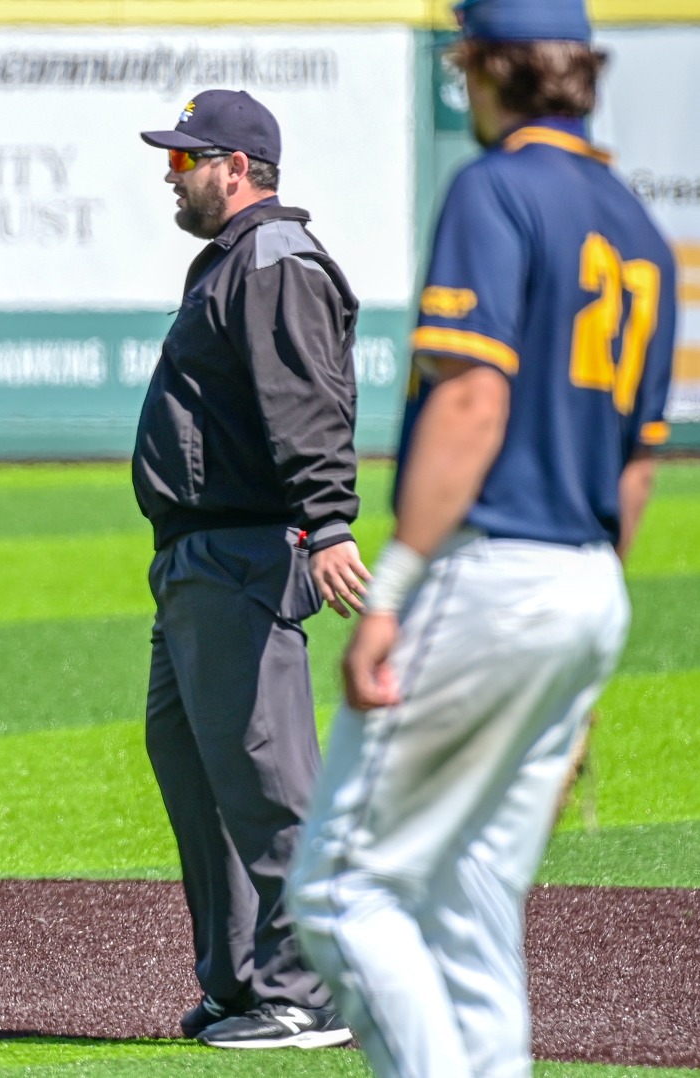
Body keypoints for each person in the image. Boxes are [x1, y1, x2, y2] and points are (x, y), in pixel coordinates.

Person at [289, 0, 676, 1072]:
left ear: (495, 68)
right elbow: (636, 468)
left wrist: (398, 586)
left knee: (343, 892)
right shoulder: (638, 227)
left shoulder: (496, 188)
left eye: (466, 64)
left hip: (488, 569)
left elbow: (472, 402)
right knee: (466, 896)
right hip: (587, 582)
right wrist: (580, 657)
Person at [131, 90, 365, 1049]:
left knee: (267, 775)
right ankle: (242, 982)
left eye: (186, 159)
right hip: (197, 556)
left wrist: (329, 520)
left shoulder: (271, 261)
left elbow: (303, 398)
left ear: (236, 165)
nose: (170, 174)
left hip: (244, 550)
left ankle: (306, 993)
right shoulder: (235, 261)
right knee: (193, 762)